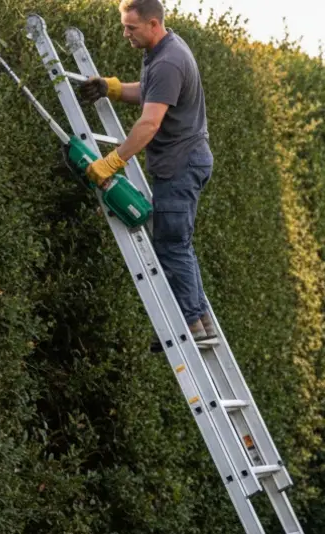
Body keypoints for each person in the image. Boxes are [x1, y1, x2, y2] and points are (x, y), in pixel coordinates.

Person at [80, 0, 217, 347]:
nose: (125, 33)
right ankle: (200, 319)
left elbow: (150, 123)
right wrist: (112, 88)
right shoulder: (165, 51)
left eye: (132, 27)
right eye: (124, 26)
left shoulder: (168, 61)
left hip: (180, 163)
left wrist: (113, 161)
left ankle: (189, 324)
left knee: (171, 245)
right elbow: (153, 92)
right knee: (178, 243)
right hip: (187, 160)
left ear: (153, 24)